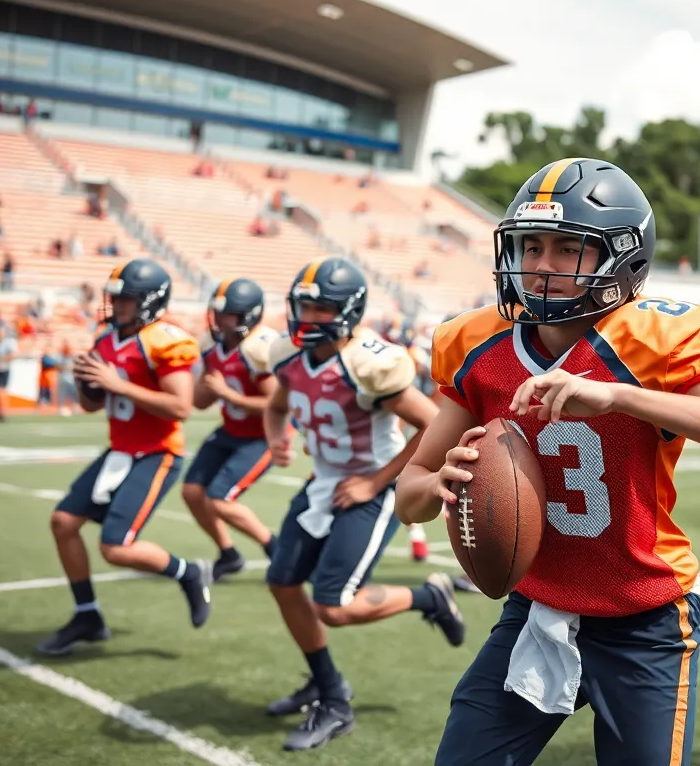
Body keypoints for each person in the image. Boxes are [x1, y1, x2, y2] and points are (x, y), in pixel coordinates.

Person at [396, 158, 700, 766]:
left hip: (644, 615)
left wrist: (621, 397)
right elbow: (410, 494)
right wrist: (438, 486)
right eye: (531, 245)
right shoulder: (478, 346)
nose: (541, 265)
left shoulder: (651, 341)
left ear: (622, 259)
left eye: (567, 248)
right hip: (536, 607)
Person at [262, 256, 466, 752]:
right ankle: (328, 690)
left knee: (332, 606)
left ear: (348, 312)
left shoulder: (369, 364)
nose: (308, 317)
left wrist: (375, 483)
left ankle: (429, 598)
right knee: (283, 581)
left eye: (321, 309)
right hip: (324, 482)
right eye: (303, 306)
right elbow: (276, 404)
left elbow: (432, 425)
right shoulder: (287, 356)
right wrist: (276, 437)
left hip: (372, 486)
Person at [37, 259, 211, 656]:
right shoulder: (105, 340)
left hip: (157, 453)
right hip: (119, 450)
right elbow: (91, 407)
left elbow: (181, 407)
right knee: (63, 522)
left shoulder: (164, 340)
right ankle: (87, 615)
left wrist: (118, 384)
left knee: (116, 548)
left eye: (126, 299)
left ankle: (189, 573)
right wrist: (88, 384)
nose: (116, 305)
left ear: (149, 301)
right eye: (115, 298)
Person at [182, 278, 281, 580]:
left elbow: (276, 405)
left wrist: (227, 394)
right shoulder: (213, 345)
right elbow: (199, 402)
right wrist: (206, 387)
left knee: (220, 499)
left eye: (228, 314)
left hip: (263, 436)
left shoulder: (257, 349)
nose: (219, 320)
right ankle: (228, 554)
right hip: (231, 430)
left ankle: (276, 549)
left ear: (248, 316)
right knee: (192, 491)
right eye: (218, 312)